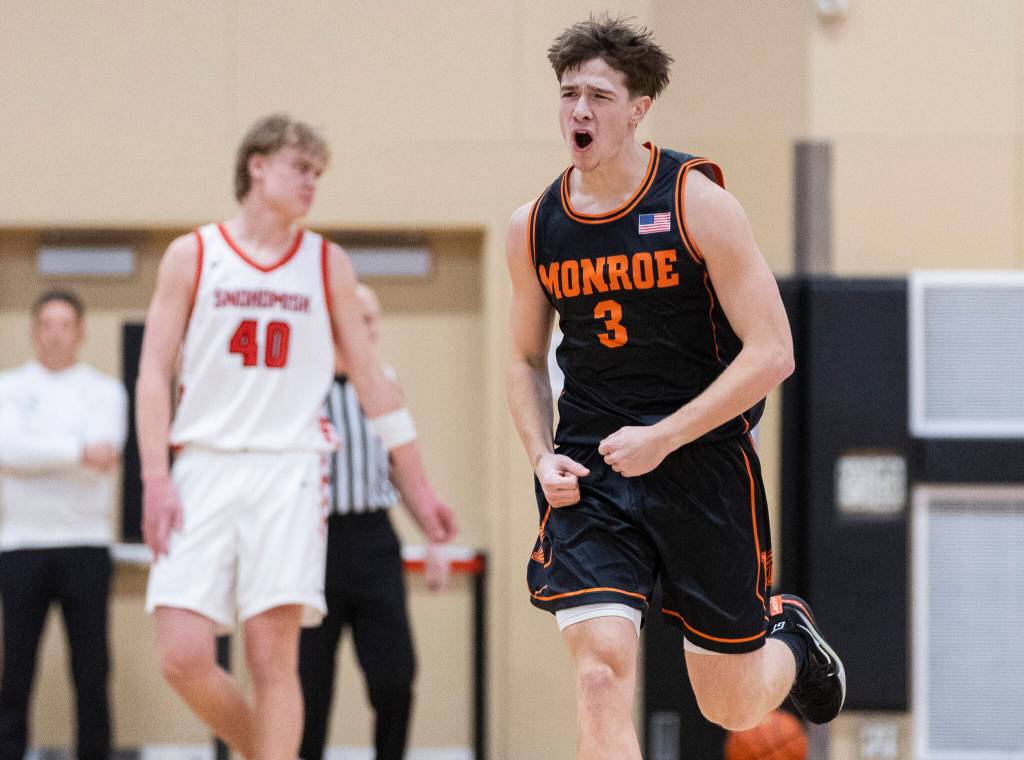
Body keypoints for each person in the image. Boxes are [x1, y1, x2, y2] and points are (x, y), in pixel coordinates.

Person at [505, 16, 846, 759]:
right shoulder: (534, 226)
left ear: (639, 109)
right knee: (600, 677)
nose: (580, 111)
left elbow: (773, 353)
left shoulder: (697, 203)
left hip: (701, 463)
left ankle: (791, 637)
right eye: (569, 94)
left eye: (599, 96)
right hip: (592, 470)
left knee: (730, 703)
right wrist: (539, 454)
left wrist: (664, 437)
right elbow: (524, 359)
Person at [136, 113, 456, 760]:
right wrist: (154, 477)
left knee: (272, 659)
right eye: (300, 168)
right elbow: (151, 372)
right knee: (181, 656)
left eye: (318, 173)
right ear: (257, 166)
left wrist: (421, 491)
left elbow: (372, 382)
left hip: (289, 469)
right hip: (203, 464)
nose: (312, 182)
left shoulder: (326, 262)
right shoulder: (192, 254)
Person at [298, 283, 452, 760]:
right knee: (309, 689)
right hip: (312, 545)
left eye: (373, 319)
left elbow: (398, 466)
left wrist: (433, 535)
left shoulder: (385, 383)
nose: (370, 329)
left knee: (395, 676)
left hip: (372, 540)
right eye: (360, 319)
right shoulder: (299, 385)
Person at [0, 290, 128, 760]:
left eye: (65, 325)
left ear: (80, 332)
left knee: (92, 671)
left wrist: (34, 455)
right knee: (15, 671)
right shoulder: (8, 387)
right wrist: (77, 451)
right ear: (34, 331)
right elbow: (7, 449)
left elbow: (106, 453)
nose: (55, 334)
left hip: (85, 545)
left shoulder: (105, 391)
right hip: (20, 545)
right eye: (46, 325)